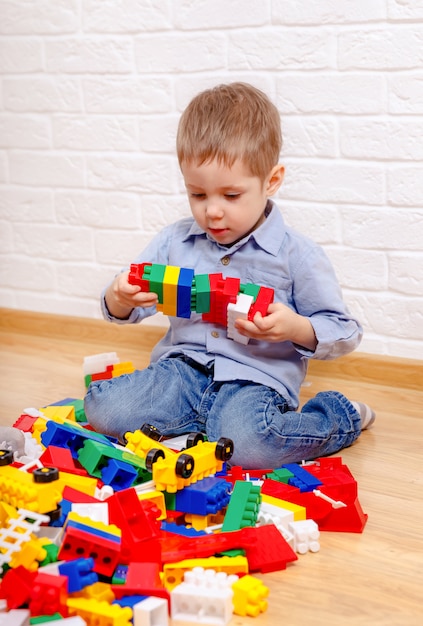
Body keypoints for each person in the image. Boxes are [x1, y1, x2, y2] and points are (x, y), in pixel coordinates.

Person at [84, 82, 375, 469]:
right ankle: (202, 427)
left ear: (270, 181)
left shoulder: (297, 254)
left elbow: (344, 330)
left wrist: (294, 327)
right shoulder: (175, 241)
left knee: (252, 448)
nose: (212, 212)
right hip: (182, 370)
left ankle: (340, 416)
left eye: (231, 196)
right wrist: (119, 298)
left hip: (254, 380)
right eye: (198, 195)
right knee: (103, 409)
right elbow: (125, 304)